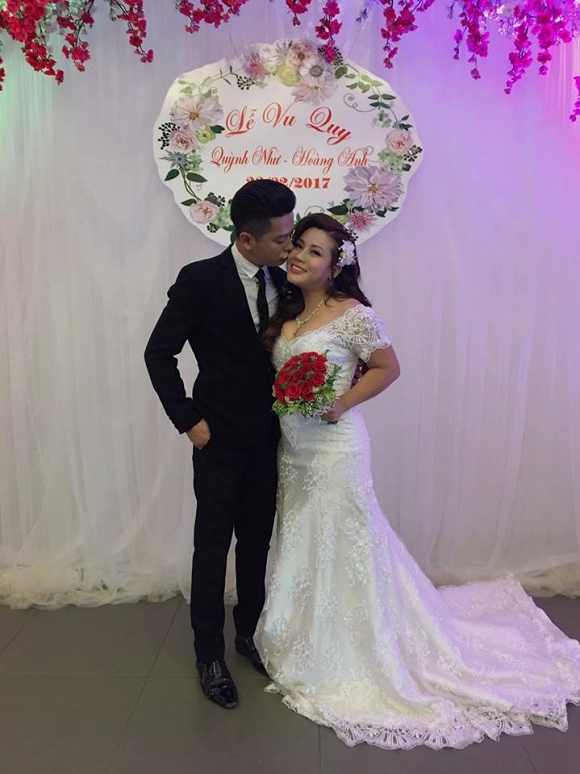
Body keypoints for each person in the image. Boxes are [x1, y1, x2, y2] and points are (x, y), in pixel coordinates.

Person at [255, 213, 580, 750]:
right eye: (298, 246)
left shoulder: (354, 314)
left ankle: (360, 644)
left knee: (347, 539)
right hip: (293, 450)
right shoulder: (286, 311)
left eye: (315, 252)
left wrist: (341, 403)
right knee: (304, 534)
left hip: (335, 448)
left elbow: (388, 368)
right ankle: (304, 629)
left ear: (335, 267)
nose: (299, 257)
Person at [144, 180, 296, 710]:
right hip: (218, 440)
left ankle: (247, 634)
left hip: (271, 438)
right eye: (282, 238)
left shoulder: (286, 281)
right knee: (211, 548)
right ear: (247, 240)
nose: (290, 245)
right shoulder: (200, 280)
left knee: (256, 543)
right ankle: (208, 654)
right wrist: (188, 419)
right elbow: (158, 353)